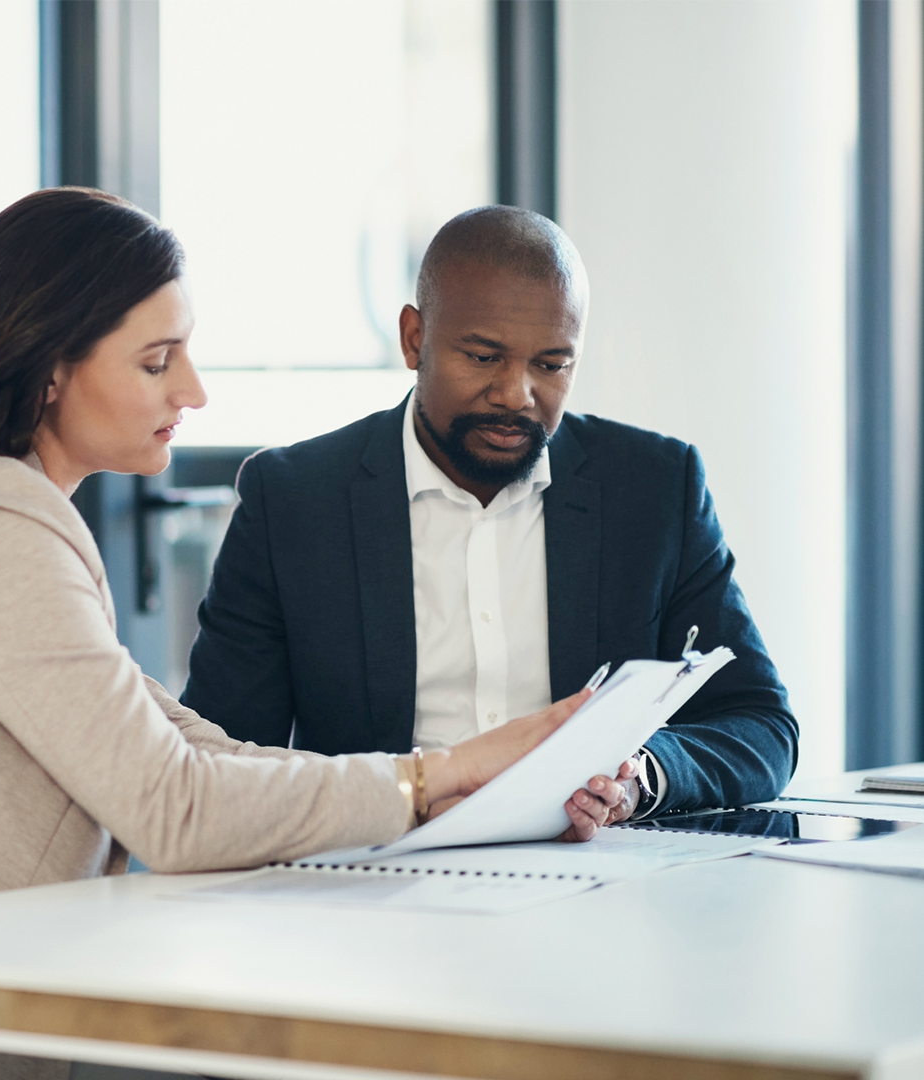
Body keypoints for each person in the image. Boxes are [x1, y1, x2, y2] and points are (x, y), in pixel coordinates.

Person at [0, 190, 629, 1080]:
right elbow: (172, 809)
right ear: (48, 369)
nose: (192, 391)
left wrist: (453, 778)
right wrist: (426, 781)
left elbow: (192, 747)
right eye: (157, 361)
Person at [182, 205, 798, 822]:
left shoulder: (655, 489)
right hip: (374, 864)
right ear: (414, 339)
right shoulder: (294, 501)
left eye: (551, 365)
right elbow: (215, 764)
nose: (515, 394)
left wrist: (641, 775)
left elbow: (760, 725)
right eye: (483, 357)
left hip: (597, 867)